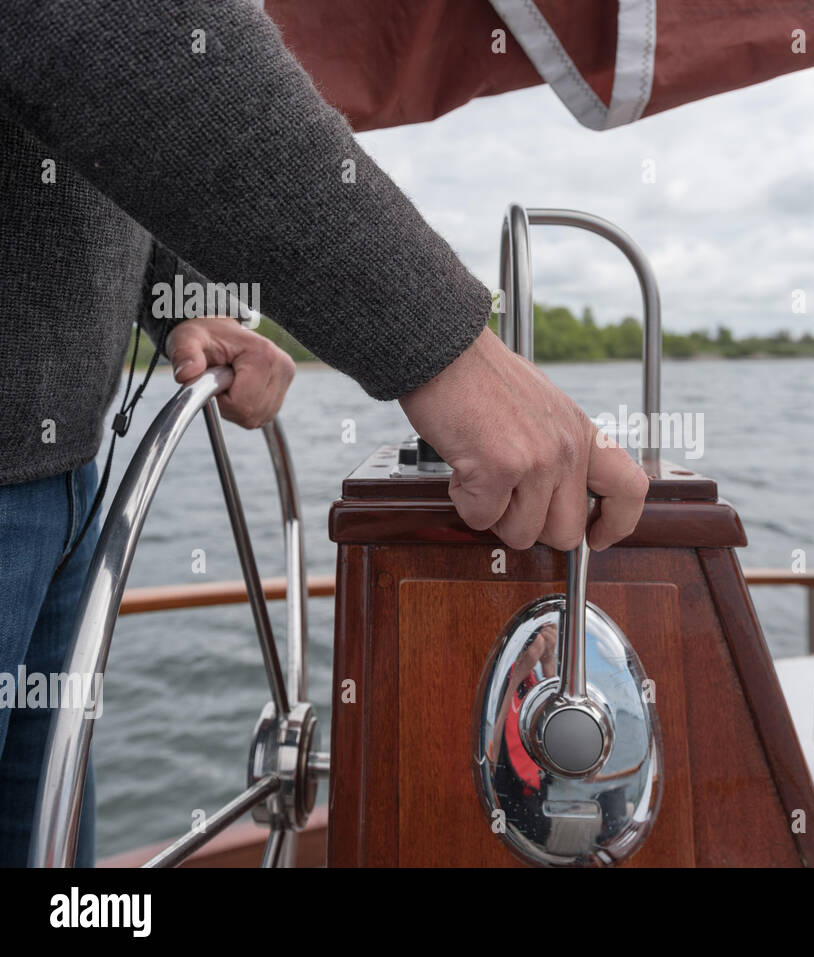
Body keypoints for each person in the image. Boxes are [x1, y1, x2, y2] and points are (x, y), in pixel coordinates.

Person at [0, 1, 647, 866]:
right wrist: (443, 349)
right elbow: (110, 23)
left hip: (73, 475)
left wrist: (180, 302)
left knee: (41, 842)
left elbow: (69, 102)